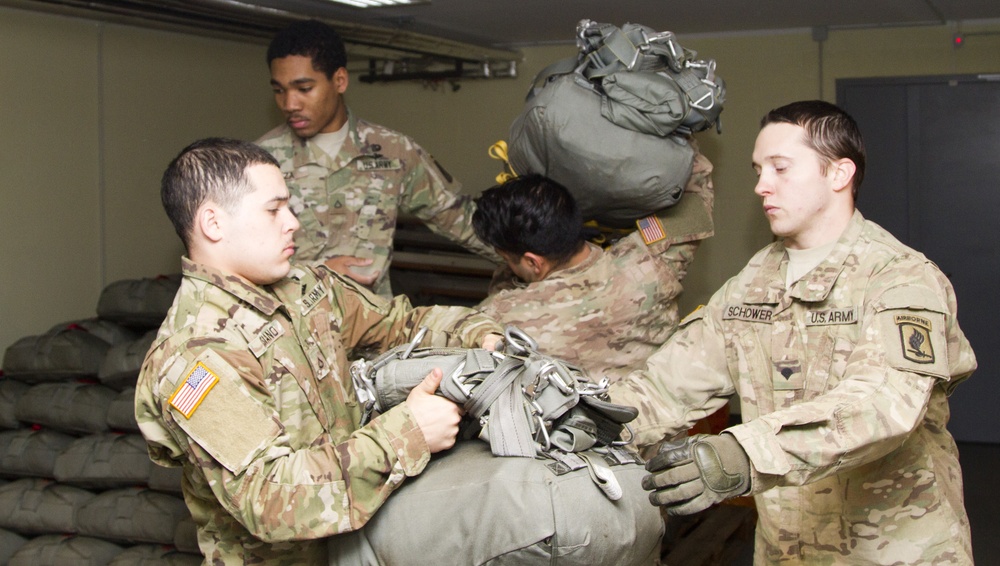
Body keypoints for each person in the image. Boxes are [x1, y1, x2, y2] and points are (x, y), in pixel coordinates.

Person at [612, 100, 977, 564]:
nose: (762, 186)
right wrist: (586, 421)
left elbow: (884, 403)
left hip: (891, 550)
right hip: (788, 549)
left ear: (839, 173)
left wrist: (744, 452)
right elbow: (665, 386)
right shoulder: (753, 283)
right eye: (759, 170)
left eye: (781, 168)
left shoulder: (899, 278)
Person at [135, 137, 503, 565]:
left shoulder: (306, 288)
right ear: (213, 223)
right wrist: (408, 433)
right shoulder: (193, 358)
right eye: (274, 210)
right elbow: (267, 497)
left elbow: (400, 324)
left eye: (288, 207)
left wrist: (481, 334)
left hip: (359, 547)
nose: (292, 222)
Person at [256, 19, 497, 300]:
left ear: (340, 80)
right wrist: (317, 273)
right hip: (297, 333)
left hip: (375, 333)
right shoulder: (259, 162)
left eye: (304, 88)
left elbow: (460, 220)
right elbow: (239, 260)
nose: (289, 104)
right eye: (279, 90)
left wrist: (542, 261)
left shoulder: (393, 151)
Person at [472, 147, 714, 387]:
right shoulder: (652, 263)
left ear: (534, 262)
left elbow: (447, 330)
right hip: (654, 419)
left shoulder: (504, 316)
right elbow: (697, 191)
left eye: (506, 259)